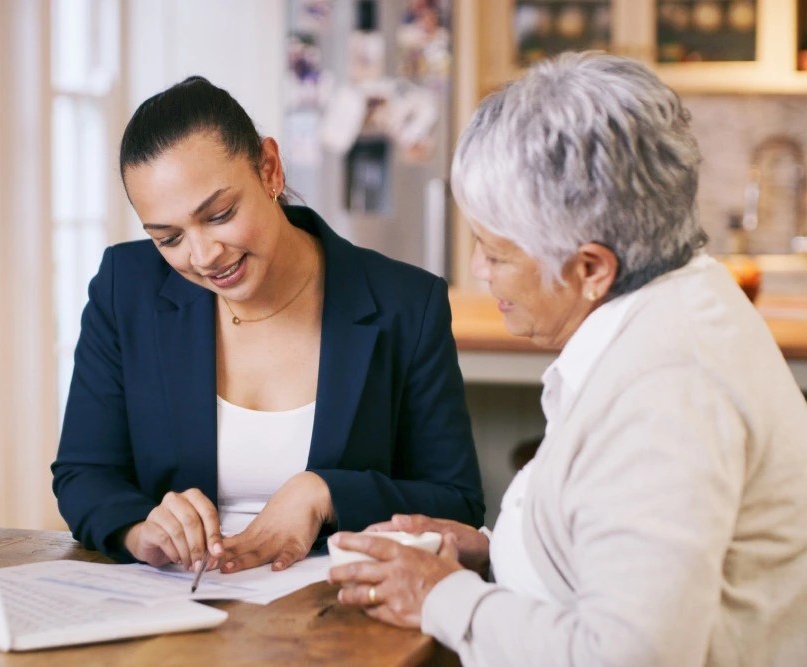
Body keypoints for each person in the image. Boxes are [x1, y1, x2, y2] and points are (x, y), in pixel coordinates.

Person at [327, 52, 807, 666]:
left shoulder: (664, 394)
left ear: (590, 269)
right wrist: (489, 551)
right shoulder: (678, 301)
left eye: (495, 253)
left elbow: (629, 656)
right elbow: (618, 552)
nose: (477, 271)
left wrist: (443, 597)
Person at [51, 76, 484, 576]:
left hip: (337, 612)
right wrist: (139, 529)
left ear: (270, 169)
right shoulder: (124, 288)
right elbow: (84, 473)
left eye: (219, 214)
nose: (203, 256)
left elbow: (458, 504)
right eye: (168, 239)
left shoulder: (406, 304)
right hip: (178, 609)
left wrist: (325, 492)